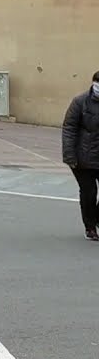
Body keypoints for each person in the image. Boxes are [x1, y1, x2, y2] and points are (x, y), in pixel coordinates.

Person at [61, 70, 99, 241]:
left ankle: (97, 218)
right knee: (89, 193)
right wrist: (70, 155)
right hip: (83, 157)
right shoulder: (80, 102)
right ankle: (90, 227)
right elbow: (69, 128)